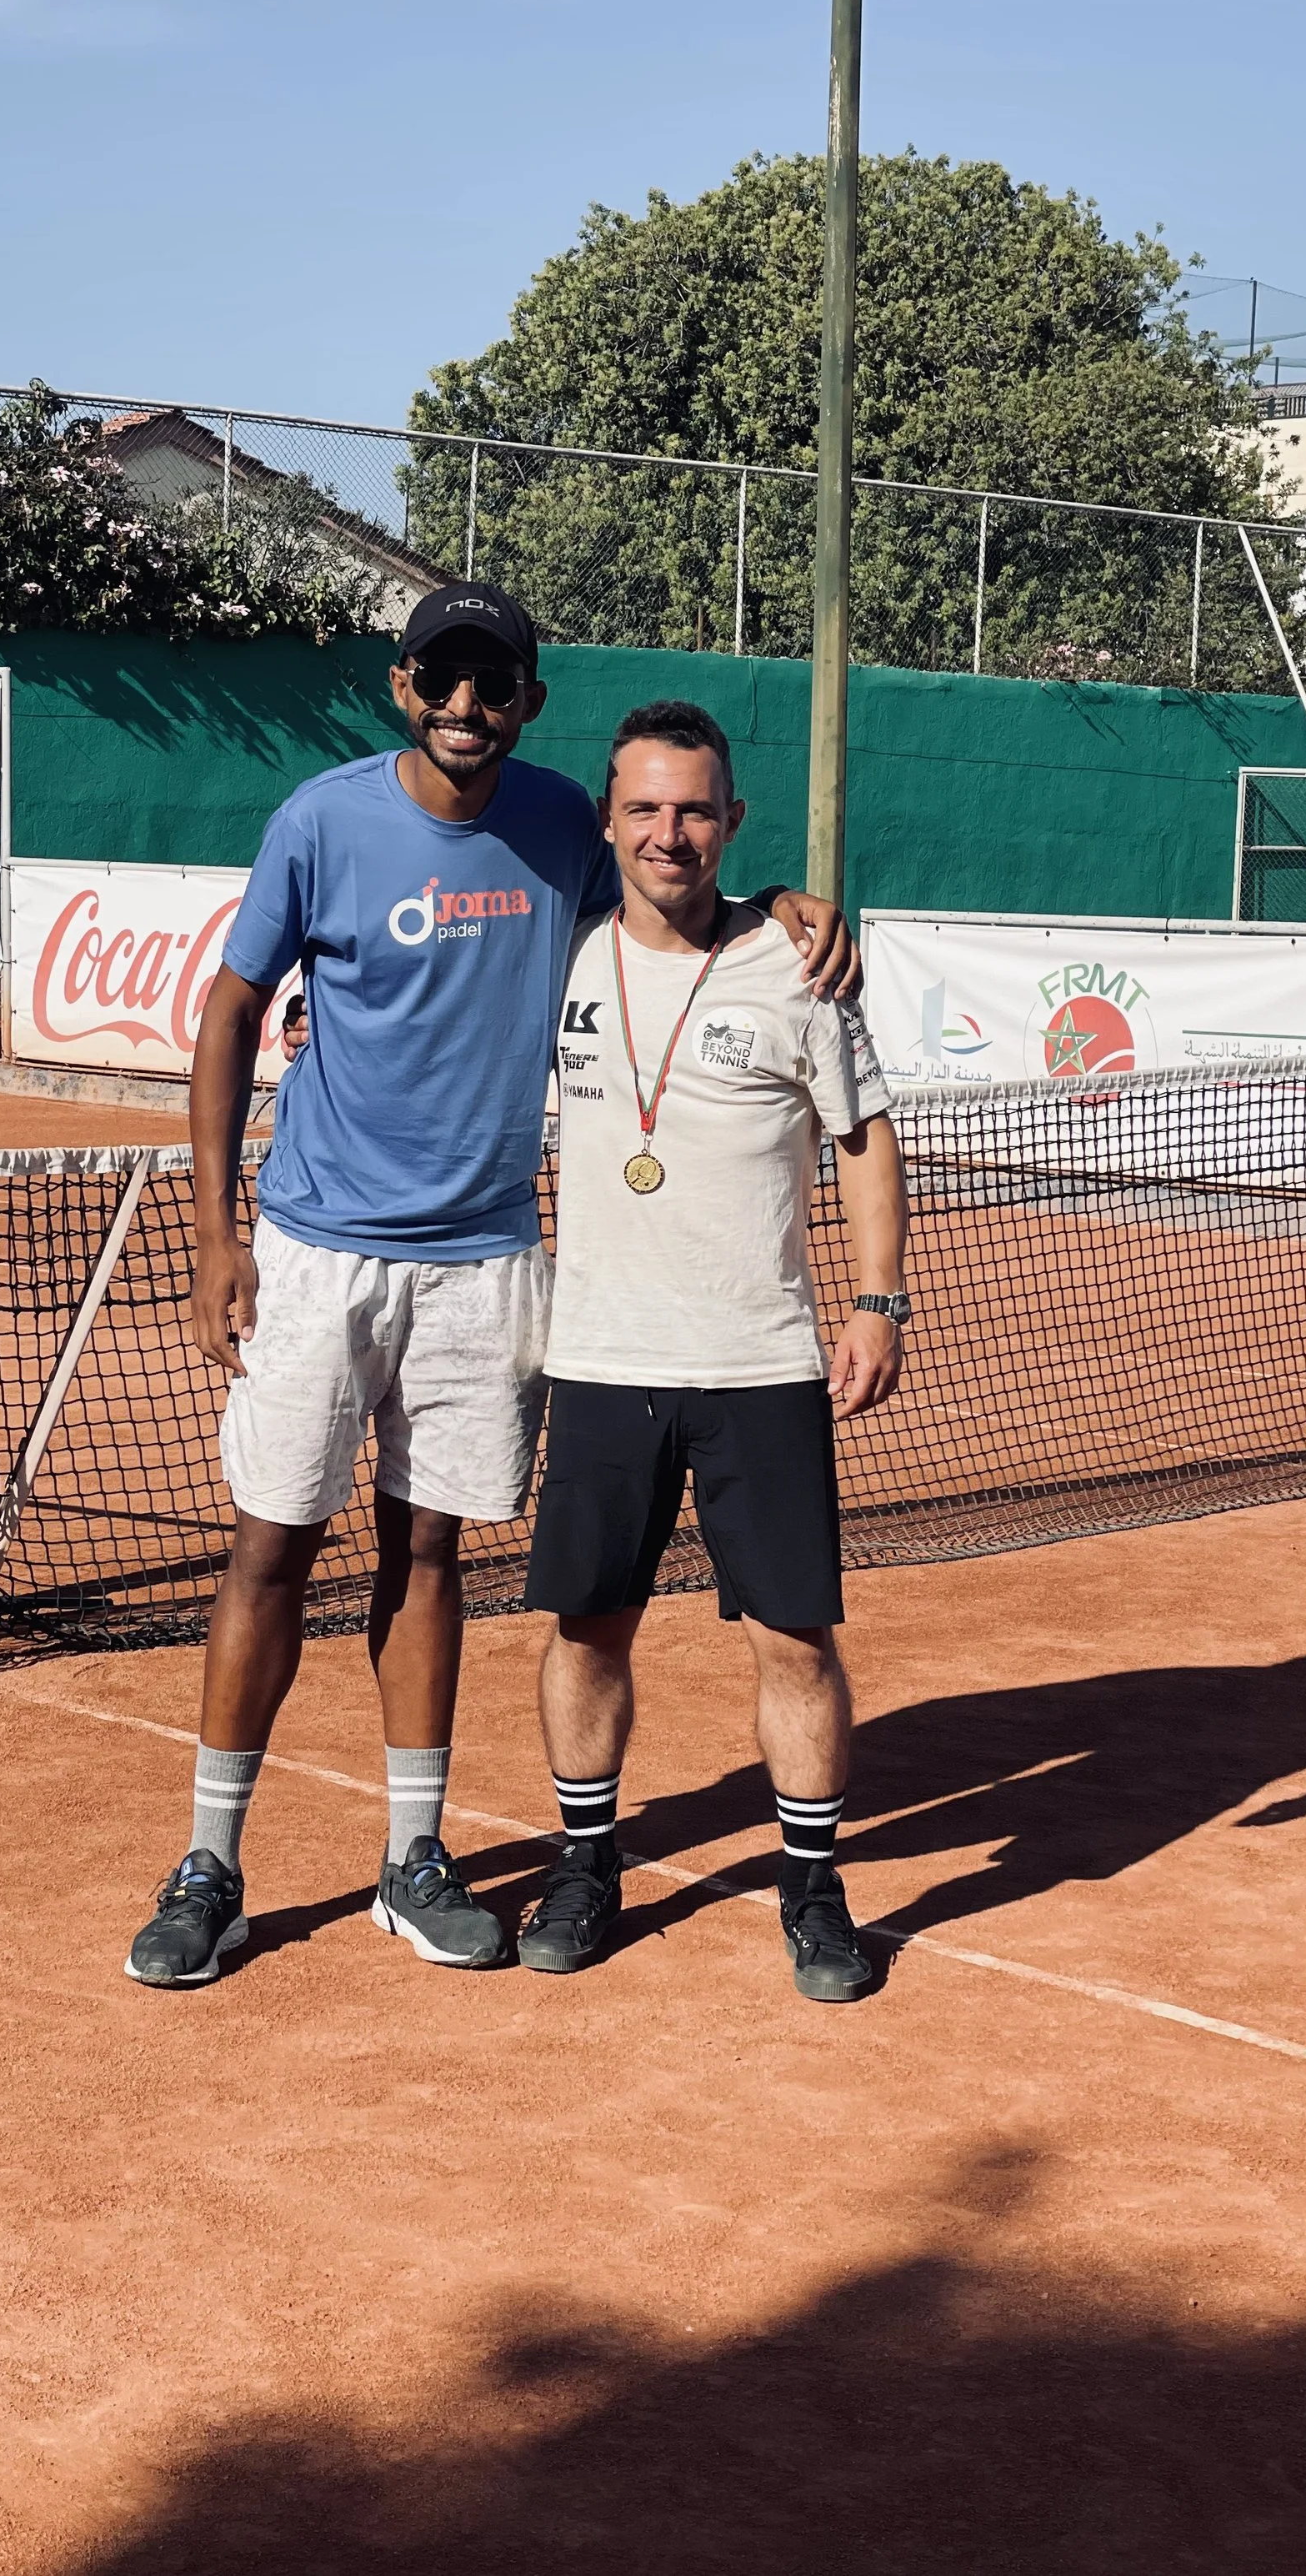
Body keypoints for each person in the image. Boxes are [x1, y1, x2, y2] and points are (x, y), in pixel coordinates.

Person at [125, 587, 857, 1989]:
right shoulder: (321, 820)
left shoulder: (560, 831)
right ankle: (211, 1865)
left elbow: (676, 887)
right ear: (403, 683)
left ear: (527, 703)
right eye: (443, 681)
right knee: (271, 1548)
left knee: (429, 1558)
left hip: (481, 1268)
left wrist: (788, 910)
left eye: (495, 687)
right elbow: (229, 1014)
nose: (466, 707)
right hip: (319, 1247)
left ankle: (416, 1859)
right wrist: (217, 1236)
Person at [516, 700, 909, 2002]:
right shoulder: (556, 959)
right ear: (608, 820)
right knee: (589, 1627)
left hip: (762, 1368)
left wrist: (878, 1301)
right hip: (602, 1358)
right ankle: (586, 1866)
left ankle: (812, 1889)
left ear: (731, 822)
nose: (669, 832)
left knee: (796, 1641)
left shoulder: (802, 965)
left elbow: (861, 1141)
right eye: (645, 808)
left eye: (695, 809)